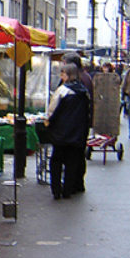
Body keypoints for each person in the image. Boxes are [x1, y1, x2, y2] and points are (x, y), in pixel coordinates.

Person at [45, 63, 90, 199]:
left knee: (56, 161)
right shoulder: (83, 91)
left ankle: (56, 190)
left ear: (68, 75)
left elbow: (52, 110)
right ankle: (68, 190)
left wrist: (48, 122)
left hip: (61, 132)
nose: (61, 76)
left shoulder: (62, 90)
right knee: (72, 162)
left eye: (63, 73)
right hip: (77, 132)